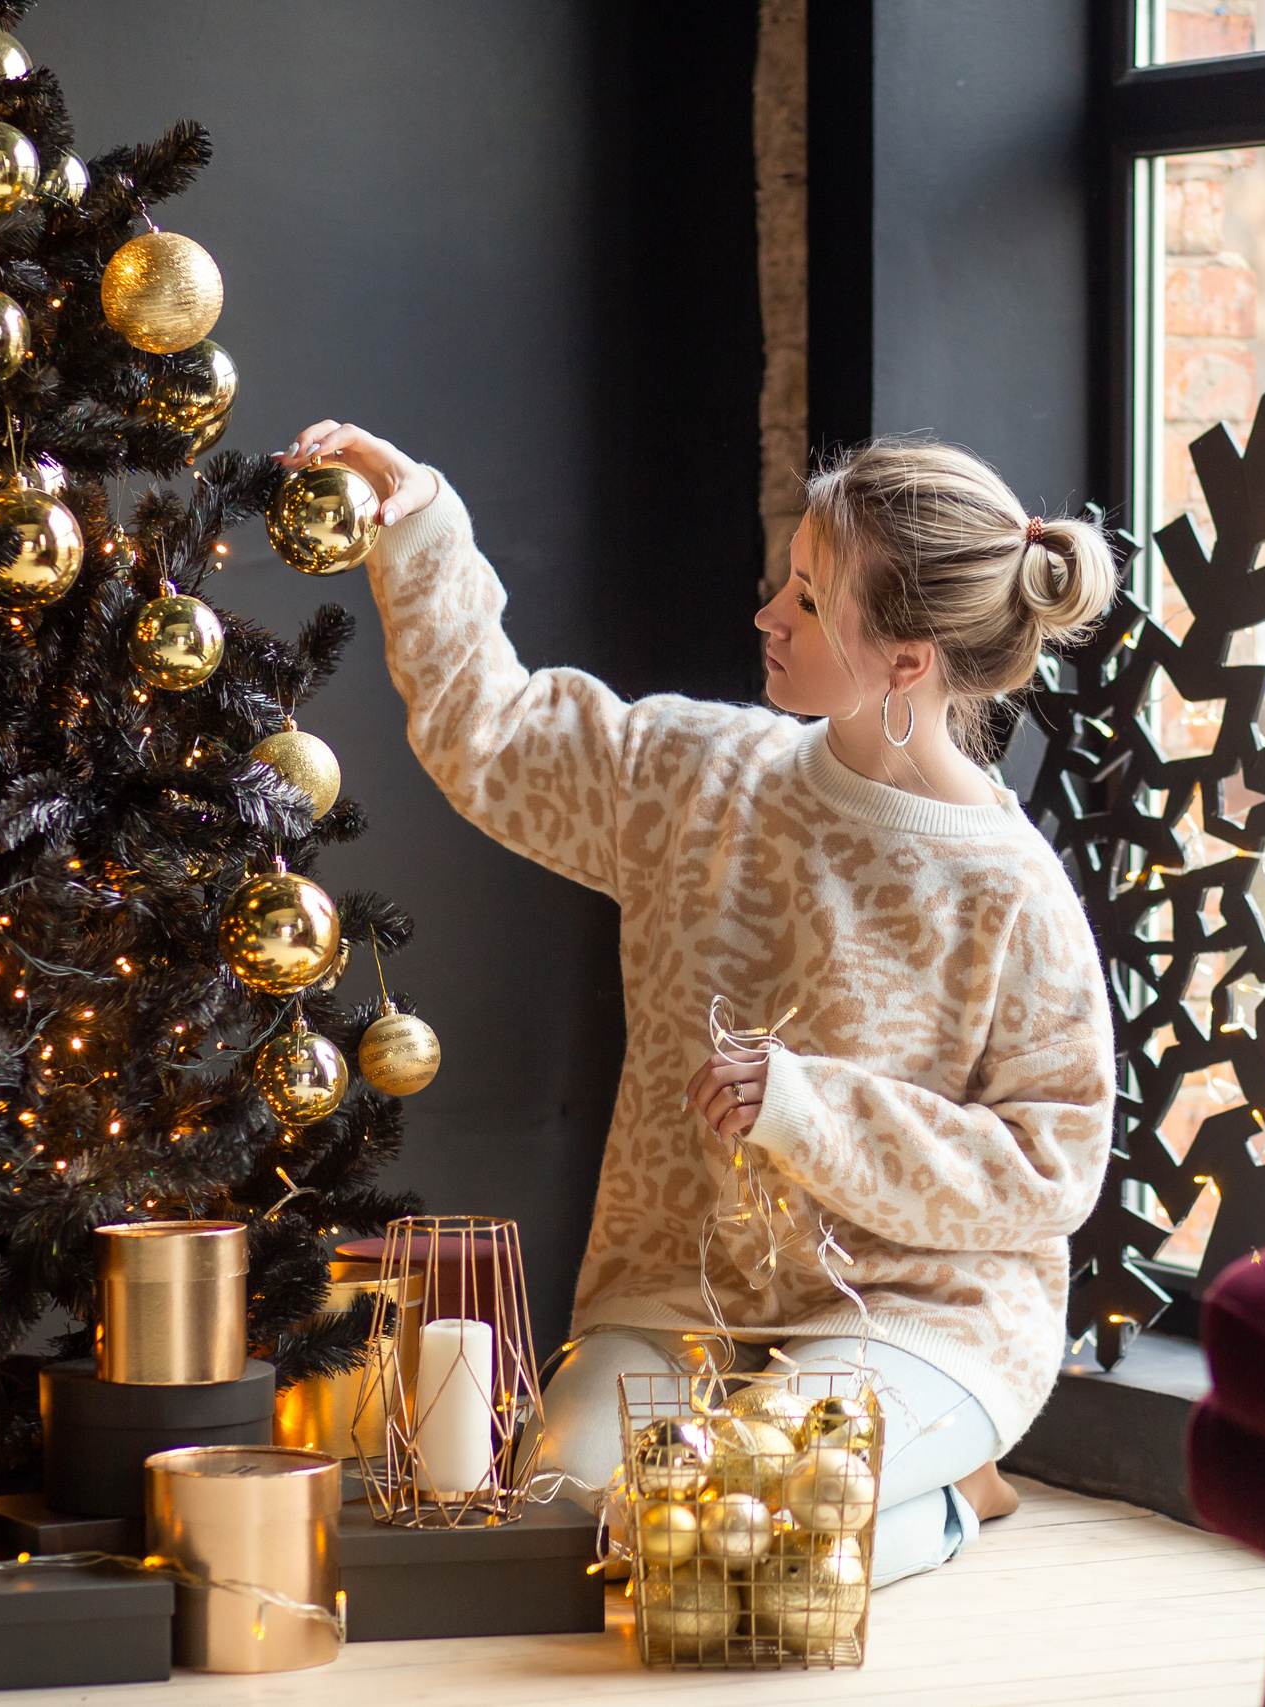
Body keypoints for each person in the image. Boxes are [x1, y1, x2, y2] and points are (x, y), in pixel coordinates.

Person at [282, 420, 1119, 1586]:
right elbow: (494, 739)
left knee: (757, 1528)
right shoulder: (699, 775)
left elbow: (1050, 1168)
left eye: (811, 602)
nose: (770, 614)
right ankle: (894, 1481)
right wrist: (419, 520)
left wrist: (810, 1110)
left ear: (907, 664)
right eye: (788, 578)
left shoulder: (1010, 890)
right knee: (576, 1520)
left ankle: (939, 1497)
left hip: (919, 1313)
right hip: (681, 1299)